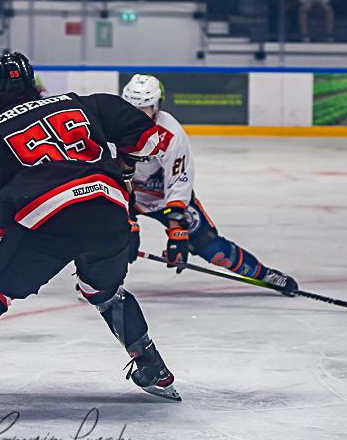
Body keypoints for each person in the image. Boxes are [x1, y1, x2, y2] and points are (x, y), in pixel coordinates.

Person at [0, 52, 180, 432]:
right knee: (105, 290)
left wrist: (25, 249)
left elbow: (0, 217)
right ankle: (153, 367)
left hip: (48, 219)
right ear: (34, 83)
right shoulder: (80, 102)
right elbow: (147, 138)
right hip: (111, 212)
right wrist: (123, 171)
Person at [121, 74, 298, 296]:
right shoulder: (111, 130)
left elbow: (179, 179)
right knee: (106, 236)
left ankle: (265, 275)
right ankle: (96, 282)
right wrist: (127, 221)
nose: (137, 117)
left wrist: (177, 229)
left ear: (156, 107)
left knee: (210, 247)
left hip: (163, 197)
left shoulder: (171, 133)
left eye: (144, 109)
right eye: (131, 108)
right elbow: (105, 174)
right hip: (125, 196)